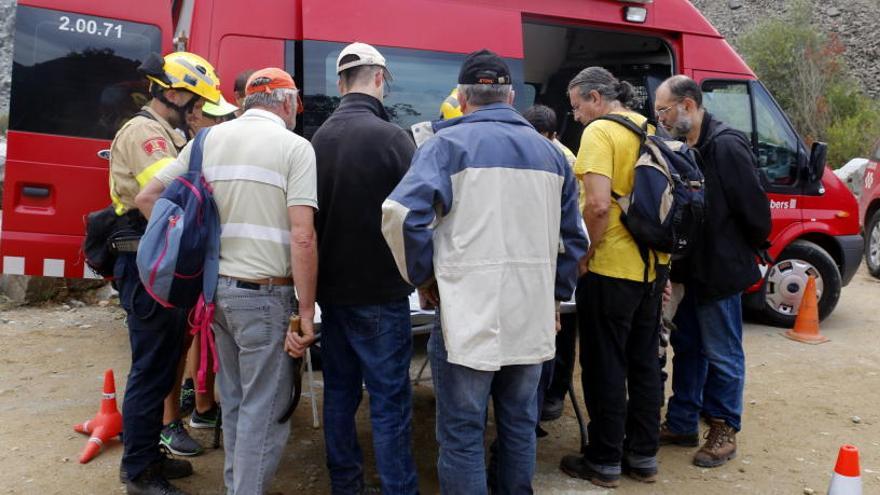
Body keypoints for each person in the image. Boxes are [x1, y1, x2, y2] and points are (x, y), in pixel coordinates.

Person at [382, 49, 586, 494]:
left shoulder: (445, 146)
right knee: (518, 425)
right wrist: (554, 296)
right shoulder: (551, 154)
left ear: (461, 96)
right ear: (510, 96)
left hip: (465, 315)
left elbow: (399, 213)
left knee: (461, 432)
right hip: (530, 316)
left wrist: (424, 278)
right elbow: (576, 239)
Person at [137, 67, 319, 494]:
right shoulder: (296, 148)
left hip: (214, 293)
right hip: (266, 295)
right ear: (288, 102)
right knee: (266, 410)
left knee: (236, 403)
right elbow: (303, 235)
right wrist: (307, 312)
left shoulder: (206, 140)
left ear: (247, 101)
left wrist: (185, 250)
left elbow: (147, 197)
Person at [109, 51, 221, 495]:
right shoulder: (145, 133)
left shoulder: (164, 131)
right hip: (147, 264)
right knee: (151, 369)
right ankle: (139, 471)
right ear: (171, 92)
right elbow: (169, 194)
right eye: (194, 101)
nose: (198, 110)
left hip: (159, 263)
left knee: (163, 365)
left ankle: (148, 456)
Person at [310, 42, 419, 494]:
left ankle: (346, 484)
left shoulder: (318, 139)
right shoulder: (393, 138)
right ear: (380, 79)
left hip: (332, 294)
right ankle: (399, 487)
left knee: (339, 393)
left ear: (340, 84)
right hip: (382, 293)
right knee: (390, 400)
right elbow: (416, 217)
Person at [559, 67, 668, 488]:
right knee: (644, 363)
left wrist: (584, 256)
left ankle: (603, 458)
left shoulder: (600, 133)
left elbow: (599, 205)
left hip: (611, 268)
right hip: (652, 267)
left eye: (577, 106)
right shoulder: (649, 128)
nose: (577, 116)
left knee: (604, 364)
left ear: (595, 99)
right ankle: (643, 456)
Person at [654, 75, 771, 468]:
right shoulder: (685, 145)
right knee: (688, 347)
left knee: (722, 352)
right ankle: (683, 421)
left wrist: (740, 248)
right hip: (690, 269)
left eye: (664, 110)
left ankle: (724, 429)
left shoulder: (725, 145)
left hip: (720, 270)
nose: (661, 118)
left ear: (688, 105)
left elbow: (756, 212)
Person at [521, 104, 583, 425]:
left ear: (554, 136)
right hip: (535, 260)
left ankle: (553, 395)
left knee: (560, 335)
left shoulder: (566, 161)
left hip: (557, 261)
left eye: (543, 137)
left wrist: (562, 286)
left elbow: (575, 224)